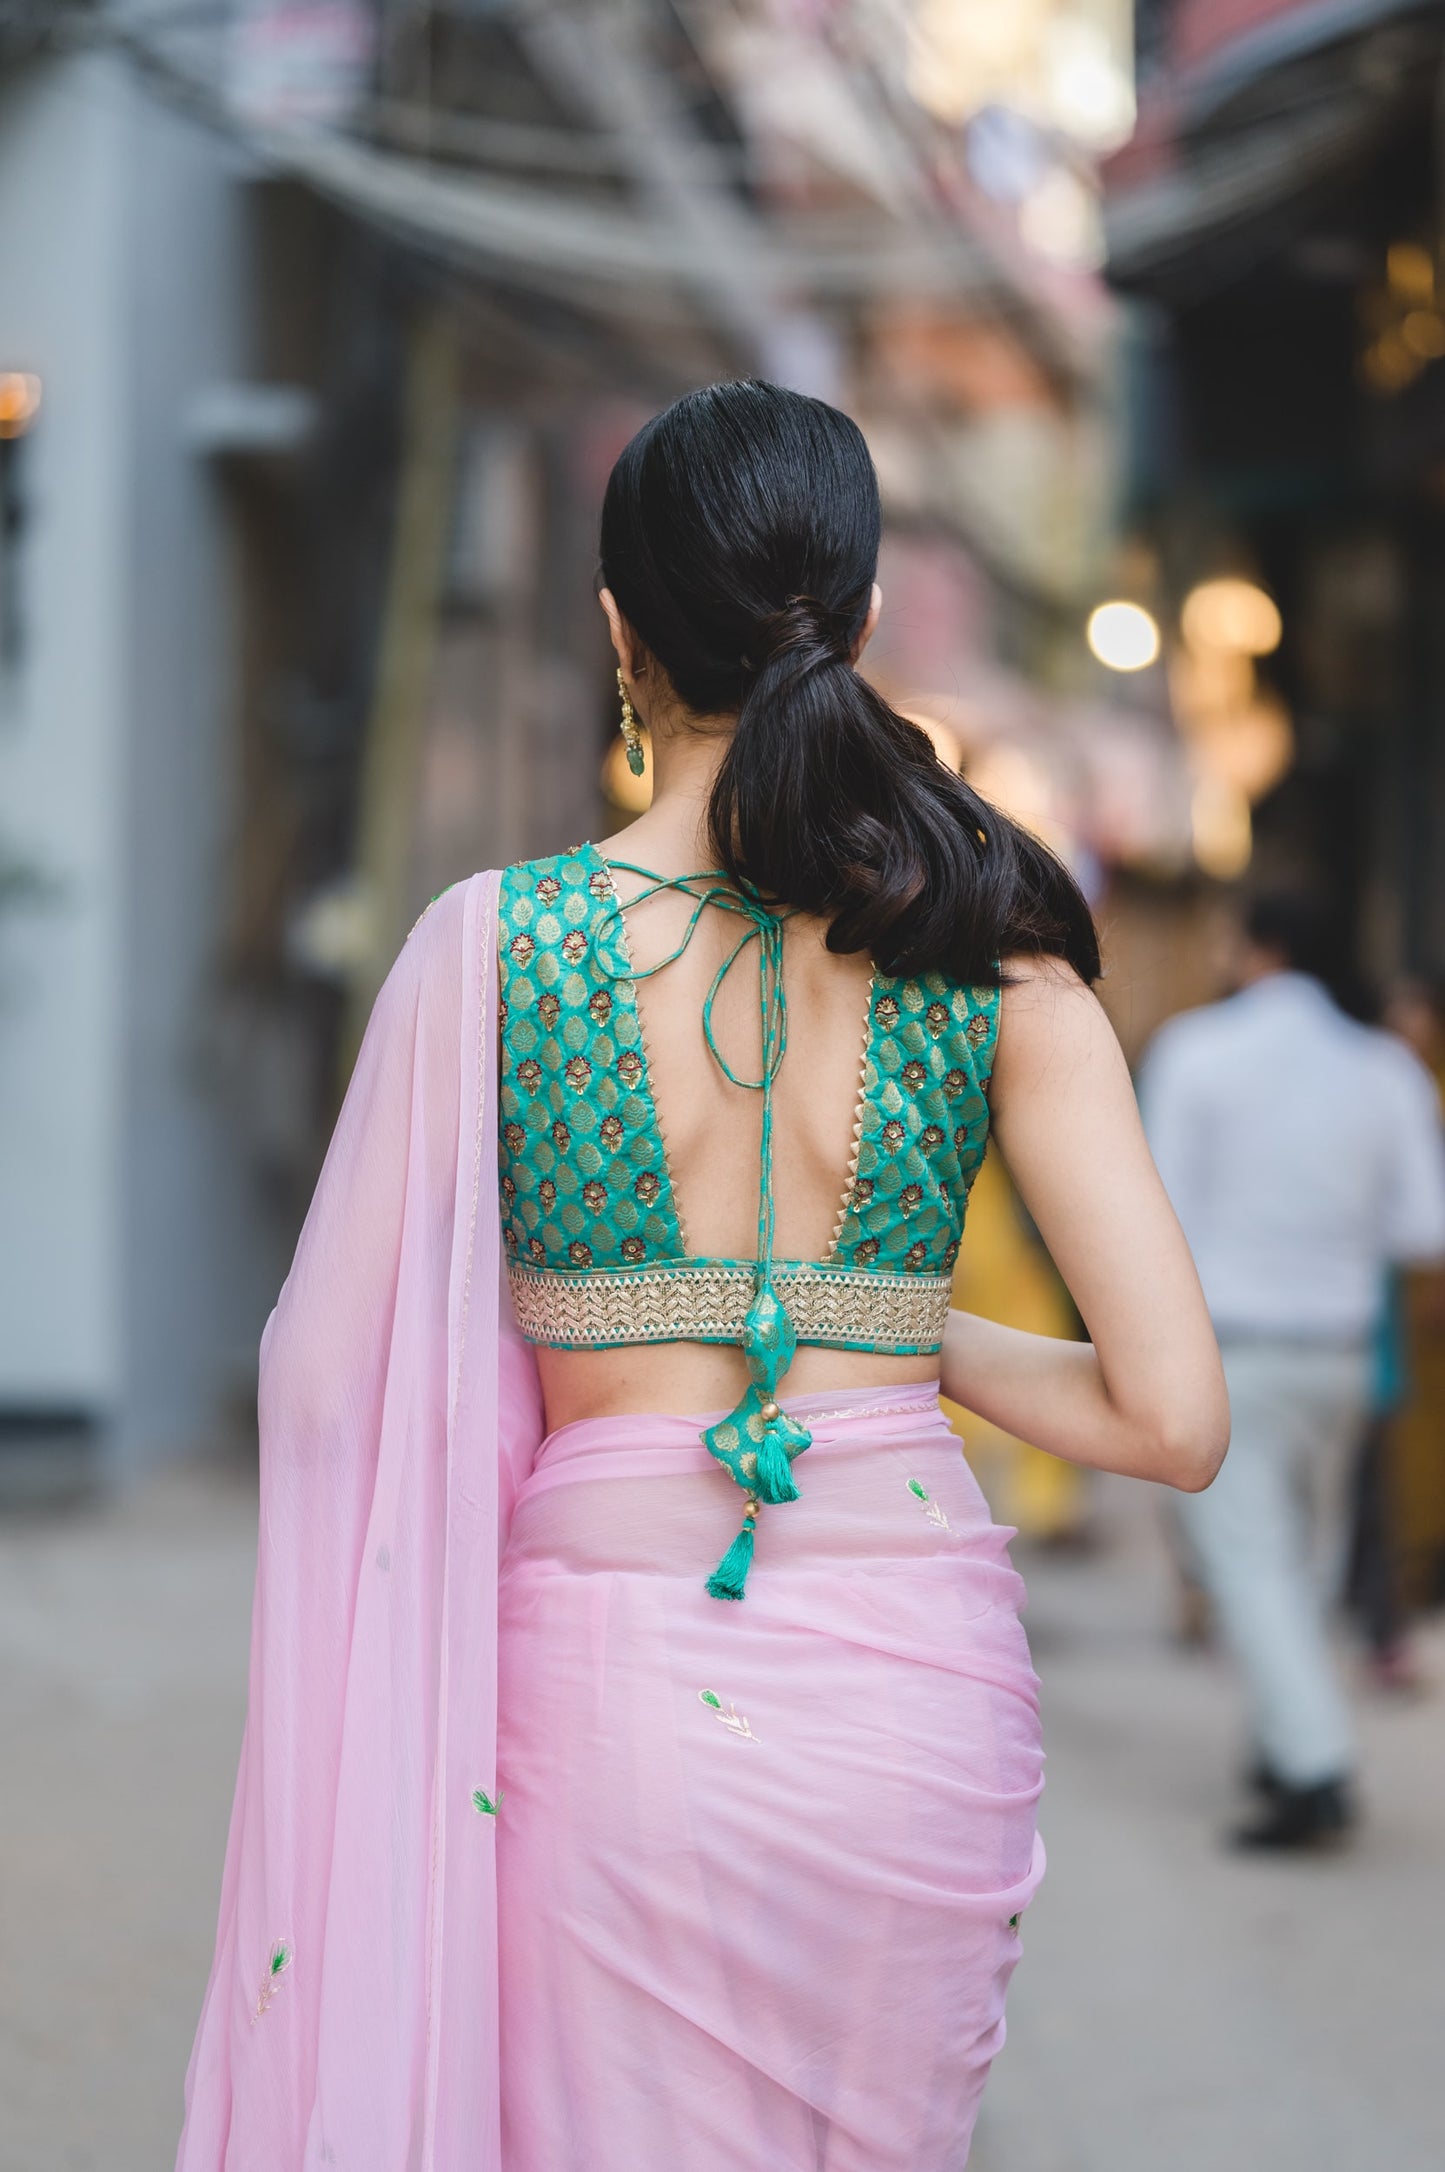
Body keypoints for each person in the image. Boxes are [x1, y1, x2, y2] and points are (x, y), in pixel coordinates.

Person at [176, 381, 1226, 2171]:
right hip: (919, 1711)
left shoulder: (492, 951)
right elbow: (1171, 1417)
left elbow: (331, 1386)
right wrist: (892, 1336)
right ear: (870, 622)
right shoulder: (1000, 969)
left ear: (617, 633)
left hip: (611, 1703)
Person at [1140, 894, 1445, 1851]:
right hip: (1344, 1357)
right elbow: (1421, 1227)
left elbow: (1151, 1211)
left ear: (1260, 948)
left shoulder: (1197, 1051)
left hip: (1232, 1350)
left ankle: (1311, 1767)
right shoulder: (1382, 1065)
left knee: (1250, 1569)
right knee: (1299, 1566)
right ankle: (1282, 1745)